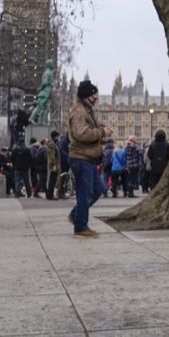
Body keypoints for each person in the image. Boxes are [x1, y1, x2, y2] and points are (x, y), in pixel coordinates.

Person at [67, 80, 111, 238]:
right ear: (86, 96)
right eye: (94, 95)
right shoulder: (79, 111)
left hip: (89, 158)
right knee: (84, 193)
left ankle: (75, 214)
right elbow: (82, 134)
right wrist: (102, 133)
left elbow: (91, 131)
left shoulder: (87, 110)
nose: (96, 98)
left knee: (99, 190)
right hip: (81, 157)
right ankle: (80, 227)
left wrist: (102, 134)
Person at [46, 131, 61, 200]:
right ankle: (50, 195)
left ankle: (49, 194)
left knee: (52, 180)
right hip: (53, 165)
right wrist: (54, 164)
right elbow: (52, 155)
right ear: (55, 136)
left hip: (53, 164)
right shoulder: (52, 144)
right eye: (57, 136)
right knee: (52, 180)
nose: (58, 138)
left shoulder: (52, 143)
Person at [57, 133, 71, 199]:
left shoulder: (67, 141)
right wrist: (68, 157)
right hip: (63, 162)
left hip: (66, 162)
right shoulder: (64, 141)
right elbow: (61, 151)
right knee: (63, 177)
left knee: (65, 177)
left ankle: (61, 192)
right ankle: (61, 193)